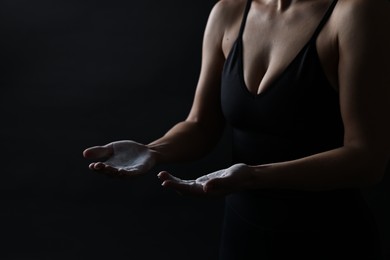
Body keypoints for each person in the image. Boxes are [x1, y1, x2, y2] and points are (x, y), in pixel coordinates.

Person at [83, 0, 390, 258]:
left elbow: (367, 159)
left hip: (329, 239)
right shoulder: (229, 12)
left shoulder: (355, 12)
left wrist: (256, 175)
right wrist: (153, 150)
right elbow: (200, 125)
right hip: (242, 235)